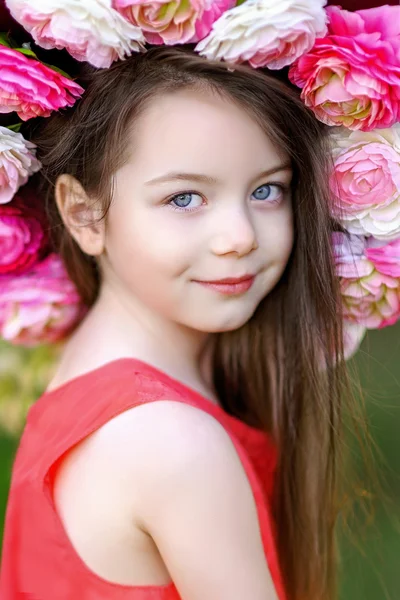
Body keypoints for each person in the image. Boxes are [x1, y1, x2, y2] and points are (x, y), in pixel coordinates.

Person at [1, 2, 399, 600]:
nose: (239, 237)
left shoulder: (101, 378)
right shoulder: (171, 442)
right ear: (84, 214)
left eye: (267, 189)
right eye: (185, 198)